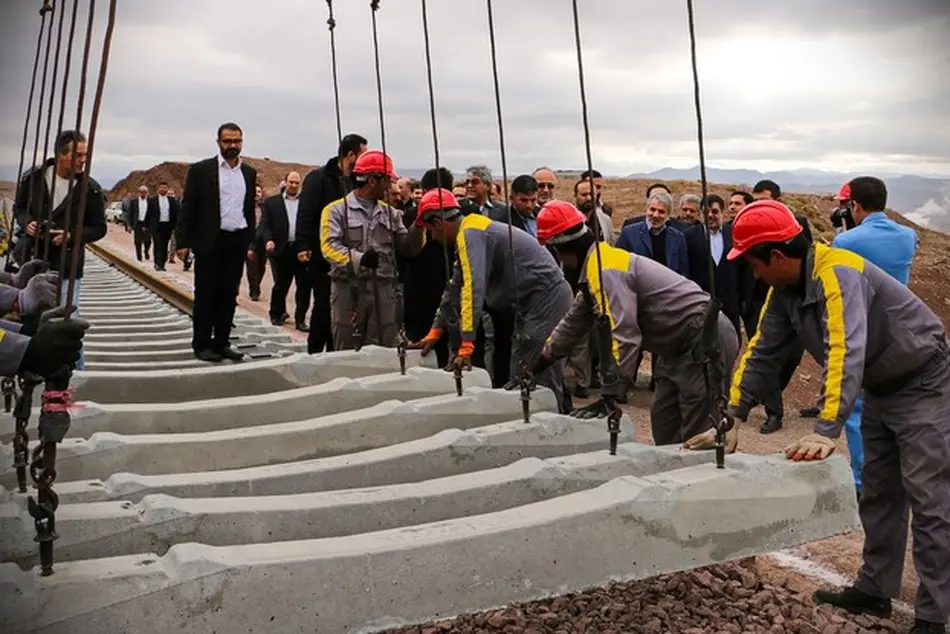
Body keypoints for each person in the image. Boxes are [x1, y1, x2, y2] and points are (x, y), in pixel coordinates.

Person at [723, 199, 949, 634]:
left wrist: (827, 429)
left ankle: (934, 616)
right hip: (882, 386)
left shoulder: (836, 273)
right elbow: (762, 351)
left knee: (929, 498)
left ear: (776, 256)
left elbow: (846, 352)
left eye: (753, 264)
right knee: (880, 491)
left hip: (924, 381)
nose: (753, 274)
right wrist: (734, 413)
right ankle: (875, 588)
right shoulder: (784, 289)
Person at [535, 201, 738, 446]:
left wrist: (611, 390)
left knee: (697, 432)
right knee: (665, 423)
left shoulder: (606, 269)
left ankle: (695, 481)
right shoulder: (596, 268)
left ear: (562, 249)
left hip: (704, 338)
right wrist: (540, 361)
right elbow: (574, 322)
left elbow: (624, 334)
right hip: (674, 346)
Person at [410, 190, 574, 413]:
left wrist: (466, 345)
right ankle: (530, 425)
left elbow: (473, 288)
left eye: (430, 231)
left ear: (438, 223)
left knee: (538, 372)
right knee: (520, 372)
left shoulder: (471, 234)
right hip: (531, 303)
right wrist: (435, 331)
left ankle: (556, 426)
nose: (433, 238)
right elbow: (455, 286)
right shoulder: (469, 233)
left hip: (547, 298)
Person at [829, 177, 918, 497]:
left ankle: (865, 479)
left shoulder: (846, 242)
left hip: (866, 333)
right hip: (904, 333)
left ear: (854, 206)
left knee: (858, 409)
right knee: (900, 406)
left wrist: (843, 232)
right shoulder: (909, 236)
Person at [13, 129, 106, 371]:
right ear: (60, 154)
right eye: (77, 155)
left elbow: (99, 228)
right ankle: (33, 369)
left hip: (68, 265)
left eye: (85, 155)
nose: (83, 160)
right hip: (31, 260)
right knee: (31, 316)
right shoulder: (32, 178)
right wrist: (28, 224)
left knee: (68, 321)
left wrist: (72, 236)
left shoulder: (90, 189)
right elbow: (19, 209)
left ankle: (76, 373)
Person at [319, 149, 423, 350]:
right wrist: (359, 259)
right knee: (348, 348)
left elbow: (409, 249)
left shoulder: (391, 214)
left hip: (384, 291)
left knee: (385, 348)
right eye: (388, 180)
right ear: (373, 181)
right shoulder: (335, 210)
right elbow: (328, 247)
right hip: (348, 290)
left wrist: (419, 226)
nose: (393, 186)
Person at [175, 122, 258, 363]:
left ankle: (222, 342)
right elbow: (188, 208)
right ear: (218, 142)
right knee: (206, 294)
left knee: (228, 294)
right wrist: (183, 242)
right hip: (210, 241)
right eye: (228, 141)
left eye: (237, 141)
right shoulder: (202, 171)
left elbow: (248, 210)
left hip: (237, 241)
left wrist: (250, 241)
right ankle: (201, 344)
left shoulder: (249, 173)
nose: (233, 146)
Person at [295, 133, 368, 354]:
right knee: (325, 306)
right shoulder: (318, 179)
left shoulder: (356, 181)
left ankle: (336, 350)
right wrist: (303, 245)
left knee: (345, 308)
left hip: (350, 256)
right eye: (362, 154)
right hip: (323, 255)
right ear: (351, 154)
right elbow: (306, 213)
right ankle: (315, 352)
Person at [259, 171, 310, 330]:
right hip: (281, 249)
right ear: (285, 182)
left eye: (297, 183)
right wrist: (268, 240)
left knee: (303, 286)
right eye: (291, 182)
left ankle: (300, 319)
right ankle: (276, 313)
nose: (294, 186)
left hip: (300, 250)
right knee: (281, 284)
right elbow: (264, 225)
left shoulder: (306, 203)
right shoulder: (272, 203)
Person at [146, 181, 180, 271]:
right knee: (157, 244)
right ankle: (158, 263)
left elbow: (176, 214)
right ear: (158, 189)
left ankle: (162, 263)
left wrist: (176, 225)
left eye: (165, 188)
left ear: (167, 189)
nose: (163, 189)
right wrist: (145, 225)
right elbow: (148, 214)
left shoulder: (172, 201)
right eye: (161, 187)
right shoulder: (152, 200)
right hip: (156, 226)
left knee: (164, 245)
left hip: (167, 226)